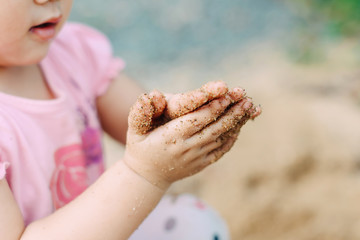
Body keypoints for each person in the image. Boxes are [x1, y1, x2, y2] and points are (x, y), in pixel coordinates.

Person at [0, 0, 261, 239]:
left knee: (192, 224)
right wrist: (143, 173)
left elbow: (142, 117)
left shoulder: (71, 52)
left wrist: (180, 120)